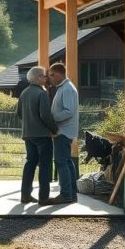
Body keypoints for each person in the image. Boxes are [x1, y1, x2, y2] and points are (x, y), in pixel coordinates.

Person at [15, 66, 58, 205]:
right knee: (45, 165)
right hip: (42, 136)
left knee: (30, 163)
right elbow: (45, 115)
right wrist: (54, 129)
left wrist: (30, 124)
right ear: (38, 78)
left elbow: (19, 114)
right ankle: (44, 197)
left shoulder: (24, 93)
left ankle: (25, 195)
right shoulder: (42, 93)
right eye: (44, 76)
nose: (46, 78)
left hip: (28, 134)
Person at [47, 62, 79, 204]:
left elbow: (68, 111)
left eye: (51, 76)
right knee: (67, 162)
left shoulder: (66, 89)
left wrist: (52, 119)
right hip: (65, 131)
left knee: (61, 163)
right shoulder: (65, 87)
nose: (50, 79)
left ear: (58, 74)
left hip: (63, 132)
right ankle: (71, 194)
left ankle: (66, 195)